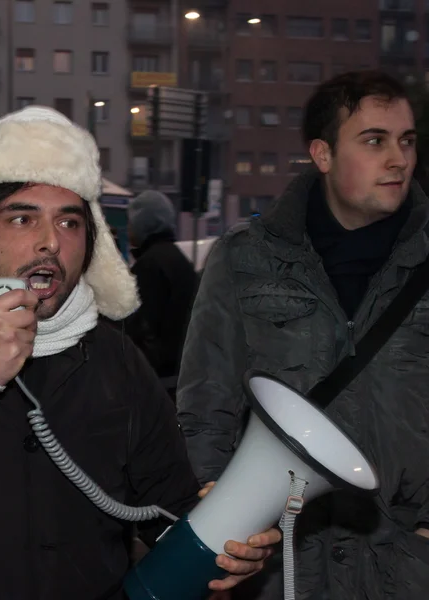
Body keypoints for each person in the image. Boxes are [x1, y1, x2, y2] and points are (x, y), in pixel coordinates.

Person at [0, 106, 280, 600]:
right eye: (22, 218)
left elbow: (165, 509)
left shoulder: (116, 359)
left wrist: (221, 542)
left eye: (69, 223)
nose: (50, 242)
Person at [177, 70, 429, 600]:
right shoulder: (245, 259)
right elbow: (205, 408)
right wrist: (225, 518)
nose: (399, 159)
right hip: (280, 567)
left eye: (407, 140)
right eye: (374, 140)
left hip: (406, 569)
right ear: (322, 153)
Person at [124, 190, 198, 399]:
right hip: (179, 377)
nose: (128, 229)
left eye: (131, 222)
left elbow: (140, 327)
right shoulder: (179, 260)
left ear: (143, 223)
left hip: (156, 382)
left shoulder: (150, 266)